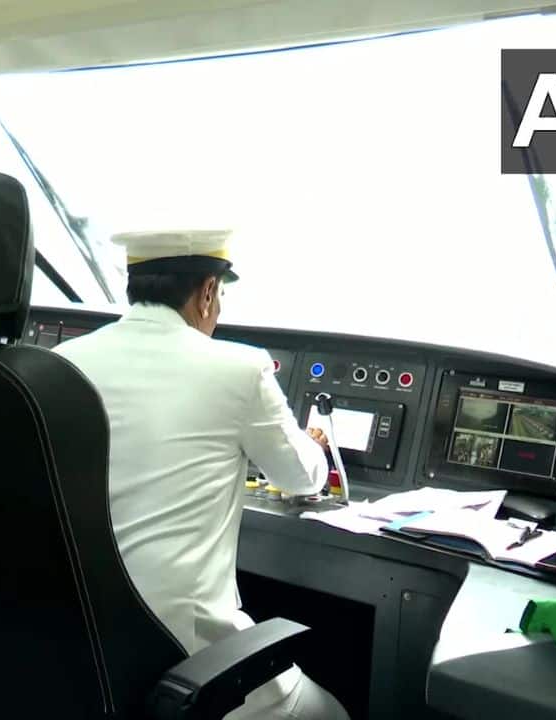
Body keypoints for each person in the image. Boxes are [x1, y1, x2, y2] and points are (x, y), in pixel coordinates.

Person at [55, 230, 348, 720]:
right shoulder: (239, 367)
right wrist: (312, 445)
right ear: (208, 291)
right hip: (189, 662)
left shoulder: (63, 363)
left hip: (82, 649)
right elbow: (301, 478)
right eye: (220, 294)